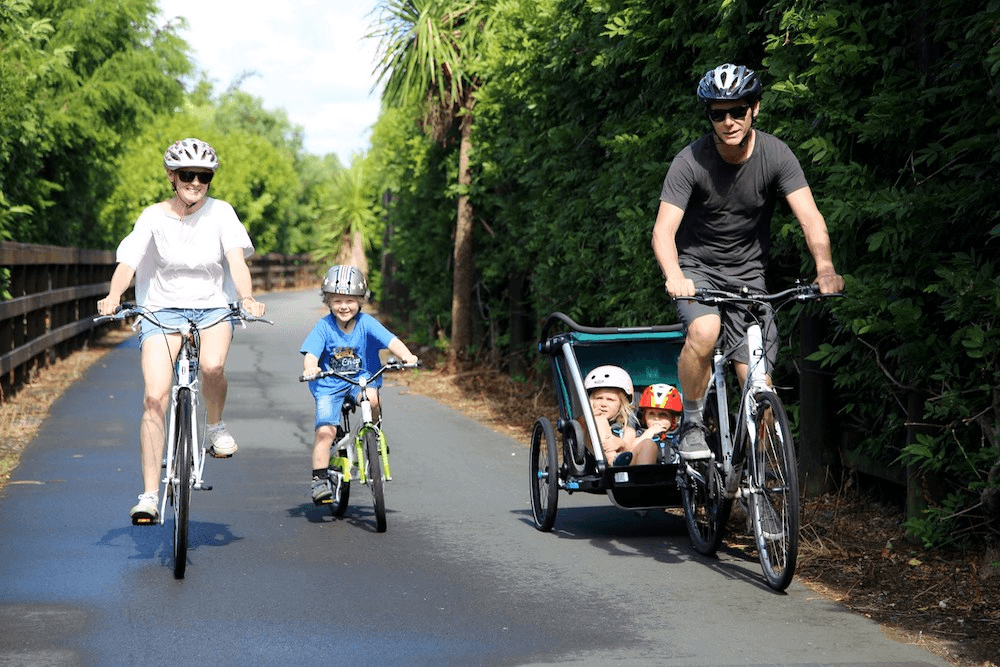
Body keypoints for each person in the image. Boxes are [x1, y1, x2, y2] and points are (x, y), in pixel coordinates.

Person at [651, 63, 845, 460]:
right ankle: (690, 422)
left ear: (754, 108)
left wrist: (824, 268)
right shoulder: (690, 161)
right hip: (697, 272)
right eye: (718, 113)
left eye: (737, 110)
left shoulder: (776, 154)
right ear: (709, 116)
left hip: (750, 278)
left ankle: (755, 480)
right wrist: (675, 275)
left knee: (759, 384)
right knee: (704, 331)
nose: (728, 121)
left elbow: (810, 217)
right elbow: (663, 232)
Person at [97, 137, 267, 524]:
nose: (195, 182)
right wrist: (112, 295)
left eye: (203, 176)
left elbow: (236, 261)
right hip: (160, 310)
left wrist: (248, 297)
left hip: (212, 307)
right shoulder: (152, 217)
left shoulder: (222, 213)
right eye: (187, 174)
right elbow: (129, 261)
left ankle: (216, 425)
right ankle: (149, 496)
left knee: (211, 367)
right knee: (155, 396)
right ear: (171, 176)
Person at [301, 265, 419, 504]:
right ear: (328, 301)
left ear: (360, 301)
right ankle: (320, 480)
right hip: (329, 386)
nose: (344, 306)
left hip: (361, 380)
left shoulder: (367, 323)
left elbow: (391, 340)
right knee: (325, 432)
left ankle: (373, 432)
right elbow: (311, 353)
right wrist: (310, 368)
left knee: (373, 399)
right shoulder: (324, 327)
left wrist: (408, 356)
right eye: (337, 301)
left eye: (350, 300)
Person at [580, 365, 657, 467]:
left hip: (625, 468)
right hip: (597, 467)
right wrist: (588, 418)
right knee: (600, 420)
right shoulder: (583, 421)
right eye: (599, 398)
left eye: (610, 399)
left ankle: (645, 478)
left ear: (621, 404)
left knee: (648, 444)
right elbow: (579, 428)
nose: (603, 404)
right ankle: (612, 458)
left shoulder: (626, 429)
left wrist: (621, 443)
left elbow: (630, 447)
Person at [632, 383, 683, 464]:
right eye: (651, 414)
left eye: (663, 415)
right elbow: (631, 451)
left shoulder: (679, 436)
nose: (656, 418)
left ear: (673, 419)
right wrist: (649, 433)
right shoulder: (641, 434)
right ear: (644, 417)